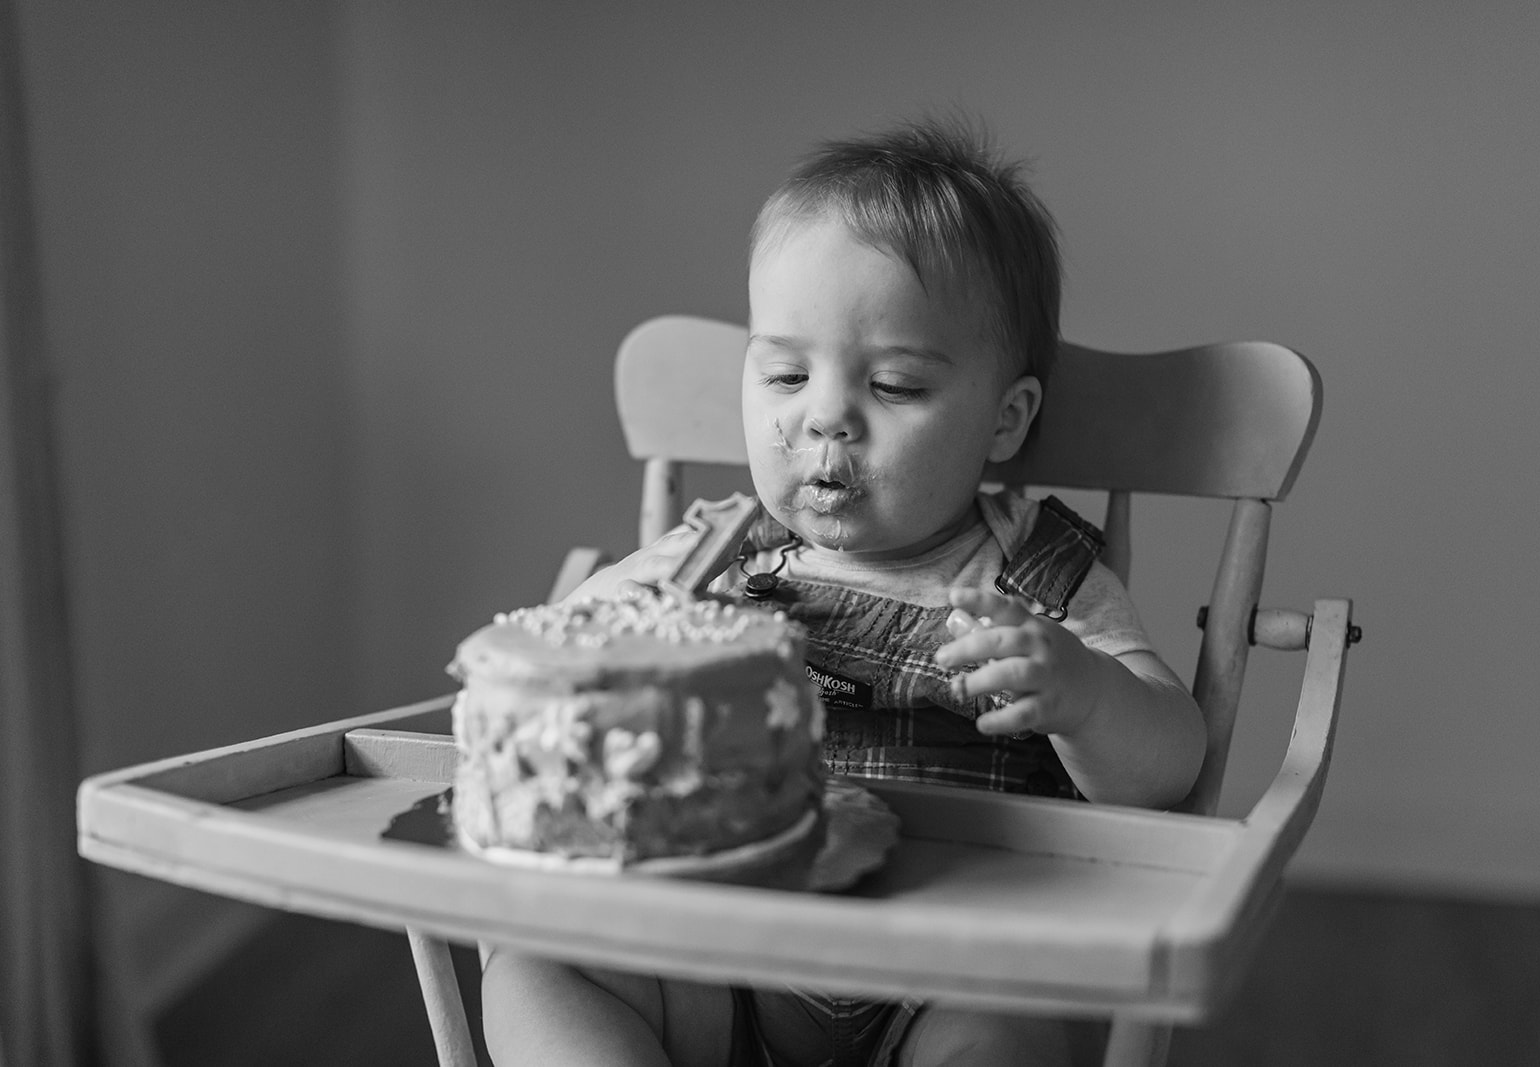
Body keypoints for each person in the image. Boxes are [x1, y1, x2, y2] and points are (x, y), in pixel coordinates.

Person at [481, 117, 1206, 1066]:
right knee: (537, 968)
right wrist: (615, 642)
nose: (824, 415)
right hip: (723, 959)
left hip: (956, 970)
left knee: (999, 1045)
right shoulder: (719, 556)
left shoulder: (1041, 581)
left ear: (1005, 419)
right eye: (785, 372)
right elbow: (563, 686)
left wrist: (1085, 694)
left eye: (896, 385)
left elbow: (1170, 764)